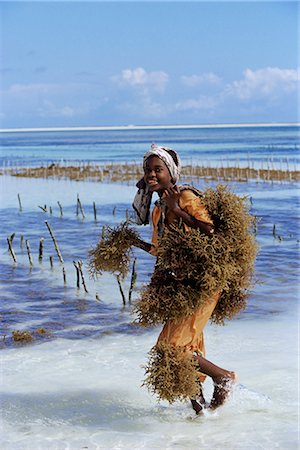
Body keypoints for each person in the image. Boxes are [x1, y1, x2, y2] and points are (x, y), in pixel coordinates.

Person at [132, 144, 236, 414]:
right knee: (186, 348)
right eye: (148, 170)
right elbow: (160, 251)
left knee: (171, 349)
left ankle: (223, 377)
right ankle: (199, 412)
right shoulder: (157, 211)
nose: (151, 174)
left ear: (171, 173)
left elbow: (210, 231)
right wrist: (135, 243)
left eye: (158, 169)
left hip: (203, 283)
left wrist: (176, 209)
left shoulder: (187, 197)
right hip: (181, 287)